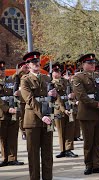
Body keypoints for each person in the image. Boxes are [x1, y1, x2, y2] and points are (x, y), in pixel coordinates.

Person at [20, 51, 57, 179]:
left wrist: (54, 95)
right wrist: (42, 116)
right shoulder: (25, 80)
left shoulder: (47, 78)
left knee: (48, 153)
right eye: (33, 62)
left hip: (48, 119)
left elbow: (52, 98)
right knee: (34, 154)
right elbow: (29, 100)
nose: (36, 64)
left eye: (37, 61)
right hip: (33, 120)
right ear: (28, 65)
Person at [72, 53, 99, 175]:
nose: (92, 65)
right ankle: (89, 165)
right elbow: (81, 96)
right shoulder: (78, 77)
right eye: (89, 63)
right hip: (88, 113)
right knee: (89, 141)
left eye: (93, 63)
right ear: (83, 65)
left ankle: (98, 164)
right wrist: (95, 104)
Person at [47, 63, 78, 158]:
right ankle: (62, 149)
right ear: (52, 73)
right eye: (56, 71)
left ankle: (68, 149)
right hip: (58, 109)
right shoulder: (51, 83)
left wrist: (73, 95)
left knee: (70, 129)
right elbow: (56, 98)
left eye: (59, 71)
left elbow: (74, 91)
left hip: (69, 107)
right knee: (61, 130)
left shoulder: (66, 81)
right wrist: (64, 109)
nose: (58, 73)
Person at [0, 61, 24, 167]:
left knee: (13, 136)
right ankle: (4, 158)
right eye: (0, 70)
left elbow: (15, 77)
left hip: (13, 113)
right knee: (3, 137)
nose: (2, 71)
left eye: (3, 69)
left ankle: (12, 158)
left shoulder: (9, 80)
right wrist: (6, 109)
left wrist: (20, 70)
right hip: (2, 113)